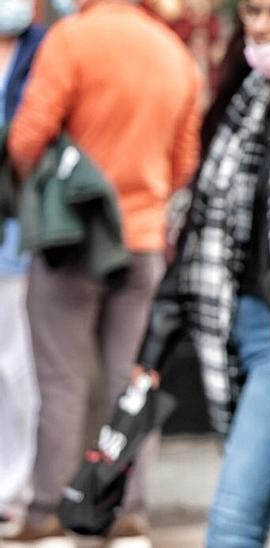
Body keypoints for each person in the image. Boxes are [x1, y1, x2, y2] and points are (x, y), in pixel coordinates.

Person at [131, 0, 270, 544]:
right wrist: (154, 352)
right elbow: (198, 232)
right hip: (233, 327)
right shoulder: (239, 101)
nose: (262, 26)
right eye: (253, 11)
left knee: (233, 520)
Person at [3, 0, 202, 541]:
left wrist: (47, 190)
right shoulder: (171, 50)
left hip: (75, 240)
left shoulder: (71, 40)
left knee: (61, 382)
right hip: (143, 240)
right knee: (132, 380)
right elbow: (185, 160)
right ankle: (126, 507)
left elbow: (26, 137)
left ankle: (47, 511)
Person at [0, 0, 43, 535]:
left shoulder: (42, 50)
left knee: (16, 367)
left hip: (18, 233)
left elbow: (32, 139)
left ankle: (18, 484)